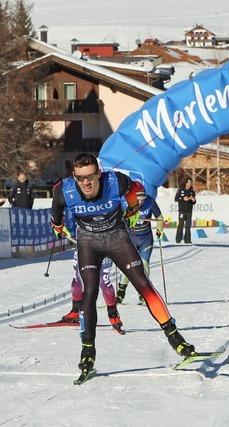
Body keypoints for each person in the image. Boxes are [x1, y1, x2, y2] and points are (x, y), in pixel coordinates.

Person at [50, 153, 196, 377]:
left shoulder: (115, 181)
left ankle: (176, 339)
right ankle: (87, 351)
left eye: (90, 176)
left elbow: (136, 189)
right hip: (88, 242)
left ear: (99, 173)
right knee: (89, 291)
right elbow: (56, 213)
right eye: (80, 178)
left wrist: (132, 208)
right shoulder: (64, 190)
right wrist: (58, 226)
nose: (86, 183)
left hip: (117, 237)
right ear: (74, 177)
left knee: (143, 284)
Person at [116, 189, 164, 305]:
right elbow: (118, 219)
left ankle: (143, 293)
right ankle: (121, 293)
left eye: (142, 199)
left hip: (145, 239)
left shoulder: (150, 201)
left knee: (144, 264)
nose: (140, 202)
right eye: (138, 199)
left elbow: (159, 217)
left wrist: (159, 229)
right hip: (131, 239)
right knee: (129, 265)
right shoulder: (127, 203)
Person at [60, 251, 124, 333]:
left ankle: (113, 315)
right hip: (83, 246)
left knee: (103, 281)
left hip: (103, 248)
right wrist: (62, 237)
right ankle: (75, 311)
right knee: (77, 278)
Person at [175, 178, 195, 244]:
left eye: (190, 184)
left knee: (188, 226)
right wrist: (183, 199)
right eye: (188, 183)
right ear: (185, 183)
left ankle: (188, 240)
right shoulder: (180, 190)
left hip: (189, 211)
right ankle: (178, 240)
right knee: (180, 225)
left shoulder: (192, 192)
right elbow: (176, 198)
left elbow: (194, 202)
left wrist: (193, 200)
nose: (189, 185)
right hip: (182, 211)